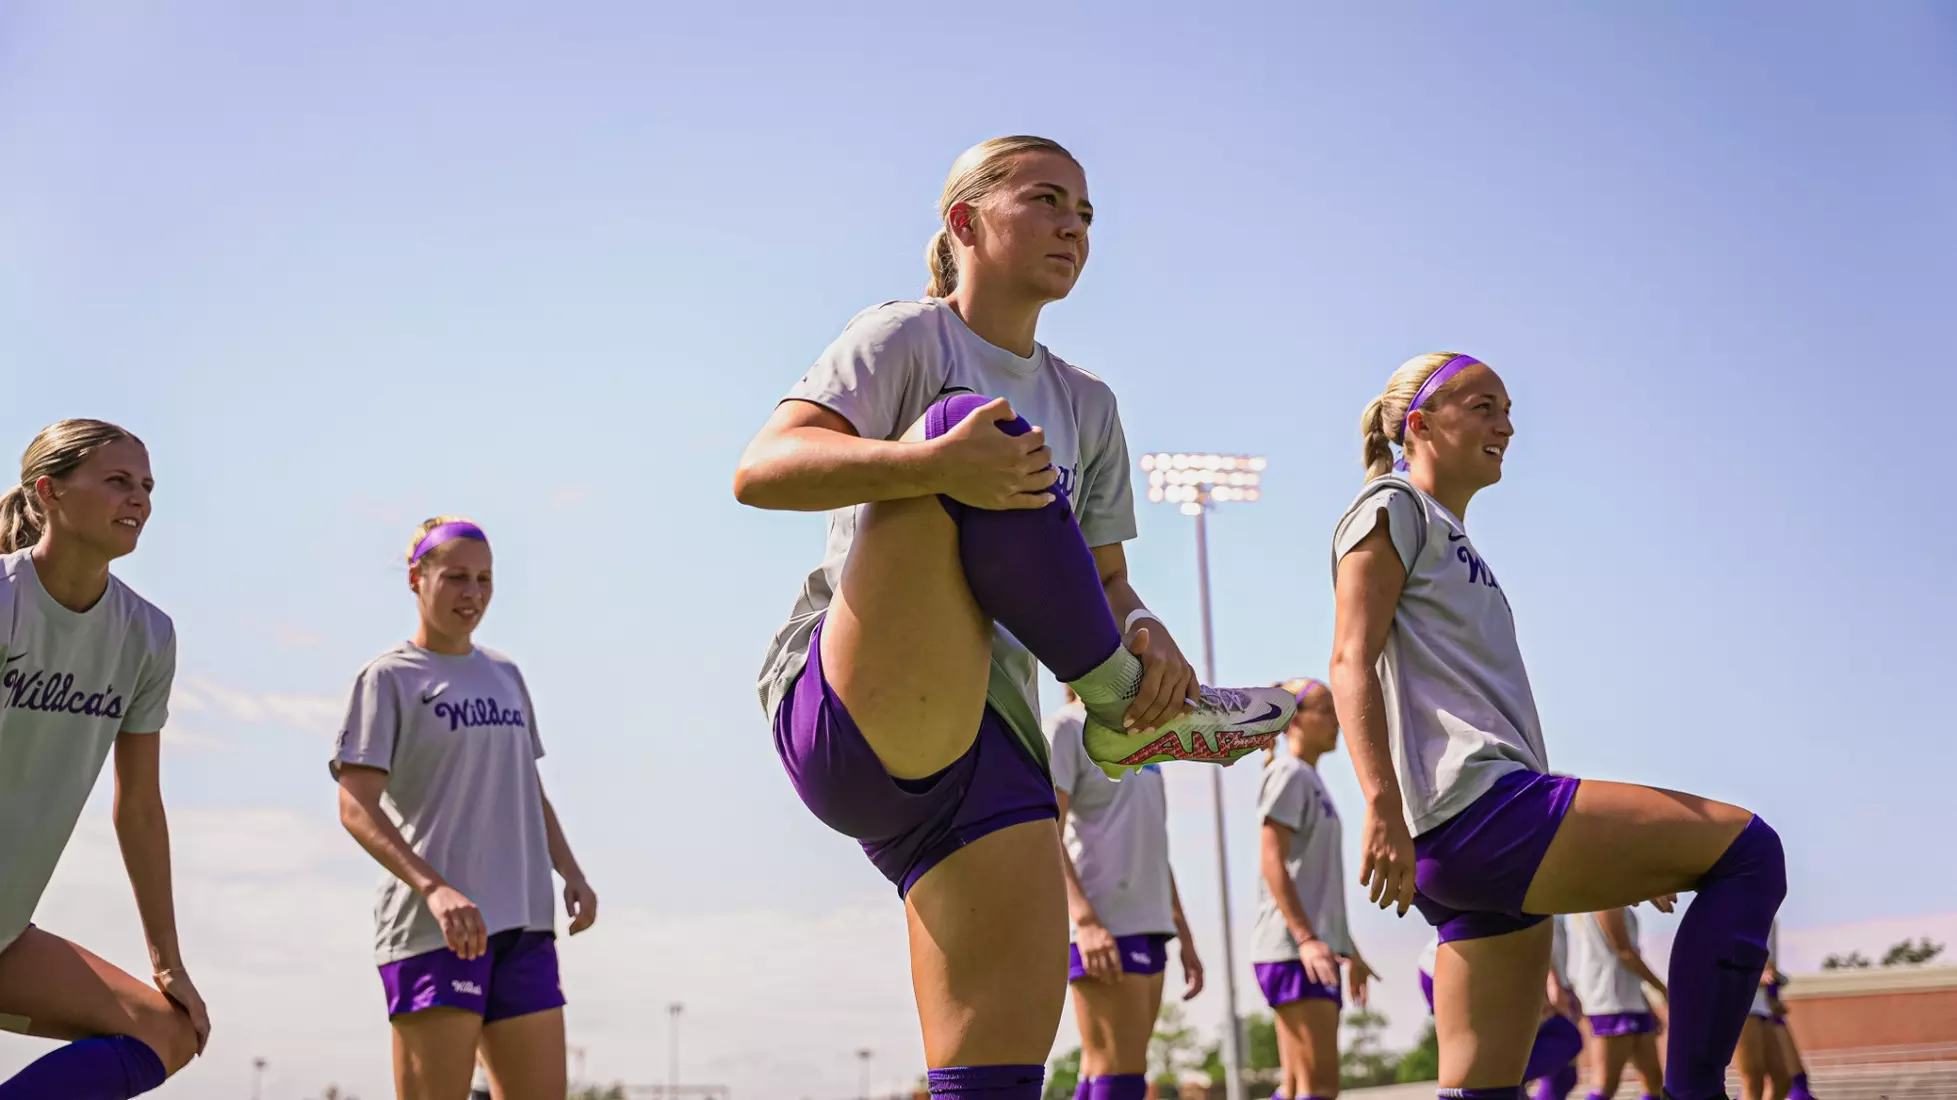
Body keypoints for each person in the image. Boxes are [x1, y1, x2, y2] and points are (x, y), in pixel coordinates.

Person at [736, 135, 1295, 1100]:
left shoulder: (1090, 402)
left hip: (994, 733)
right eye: (1046, 201)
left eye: (1085, 213)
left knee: (995, 1074)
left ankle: (1133, 698)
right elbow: (761, 470)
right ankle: (1128, 712)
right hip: (857, 708)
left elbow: (1109, 585)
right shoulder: (908, 336)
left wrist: (1145, 632)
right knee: (967, 425)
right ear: (965, 224)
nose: (1073, 226)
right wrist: (930, 467)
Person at [1327, 351, 1786, 1100]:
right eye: (1482, 406)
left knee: (1483, 1090)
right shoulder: (1390, 506)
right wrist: (1379, 803)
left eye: (1507, 410)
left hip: (1472, 839)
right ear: (1419, 424)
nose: (1505, 424)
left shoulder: (1450, 535)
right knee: (1749, 851)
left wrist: (1614, 853)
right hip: (1478, 813)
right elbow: (1349, 659)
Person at [333, 517, 598, 1100]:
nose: (472, 593)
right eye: (455, 577)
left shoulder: (505, 675)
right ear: (416, 578)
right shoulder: (388, 679)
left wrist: (570, 872)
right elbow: (355, 804)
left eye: (484, 579)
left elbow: (527, 786)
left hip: (524, 924)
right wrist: (435, 888)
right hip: (435, 929)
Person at [0, 420, 207, 1100]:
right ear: (48, 493)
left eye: (146, 485)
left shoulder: (147, 636)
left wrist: (166, 961)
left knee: (167, 1031)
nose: (139, 499)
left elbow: (140, 807)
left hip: (6, 933)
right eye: (117, 480)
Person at [1047, 687, 1205, 1100]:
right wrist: (1084, 921)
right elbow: (1047, 832)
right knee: (1121, 1074)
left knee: (1106, 1071)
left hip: (1151, 922)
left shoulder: (1146, 740)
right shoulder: (1066, 728)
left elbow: (1154, 843)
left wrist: (1183, 933)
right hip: (1106, 924)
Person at [1250, 679, 1375, 1100]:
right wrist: (1306, 939)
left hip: (1307, 950)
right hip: (1291, 951)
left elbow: (1315, 883)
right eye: (1325, 709)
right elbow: (1272, 861)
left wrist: (1347, 948)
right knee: (1319, 1088)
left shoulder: (1309, 779)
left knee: (1297, 1088)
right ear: (1293, 720)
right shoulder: (1288, 773)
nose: (1337, 719)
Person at [1417, 918, 1584, 1100]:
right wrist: (1554, 985)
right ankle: (1495, 1082)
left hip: (1447, 963)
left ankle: (1497, 1082)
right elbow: (1532, 923)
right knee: (1565, 1038)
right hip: (1463, 965)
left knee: (1563, 1065)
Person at [1567, 905, 1669, 1100]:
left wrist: (1645, 1000)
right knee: (1607, 1083)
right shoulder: (1605, 901)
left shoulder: (1623, 903)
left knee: (1654, 1079)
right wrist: (1663, 989)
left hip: (1632, 999)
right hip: (1608, 1001)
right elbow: (1625, 953)